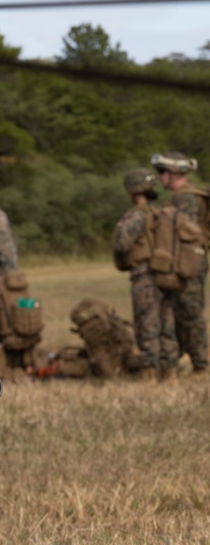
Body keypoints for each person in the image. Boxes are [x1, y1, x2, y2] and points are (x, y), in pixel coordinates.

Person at [112, 168, 178, 382]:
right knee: (166, 325)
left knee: (146, 325)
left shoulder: (137, 215)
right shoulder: (164, 213)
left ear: (132, 191)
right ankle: (170, 373)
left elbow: (122, 243)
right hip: (167, 275)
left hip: (145, 276)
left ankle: (150, 373)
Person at [151, 151, 208, 377]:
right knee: (180, 311)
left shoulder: (187, 198)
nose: (160, 177)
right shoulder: (179, 197)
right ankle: (185, 357)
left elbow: (186, 235)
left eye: (162, 172)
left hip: (189, 264)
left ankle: (201, 365)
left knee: (190, 312)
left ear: (175, 173)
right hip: (182, 263)